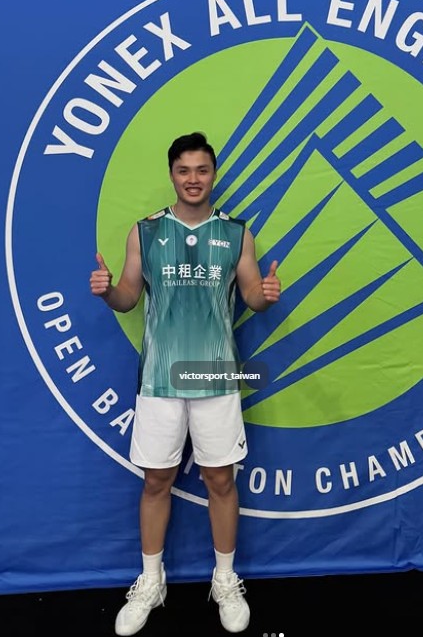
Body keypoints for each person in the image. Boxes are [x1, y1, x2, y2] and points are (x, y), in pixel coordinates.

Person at [90, 131, 281, 636]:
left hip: (217, 377)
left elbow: (251, 297)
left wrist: (265, 295)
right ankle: (151, 582)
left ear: (213, 175)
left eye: (202, 170)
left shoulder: (236, 233)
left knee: (221, 480)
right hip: (160, 379)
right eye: (184, 170)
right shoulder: (146, 232)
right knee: (157, 481)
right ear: (172, 175)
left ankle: (225, 580)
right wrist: (108, 292)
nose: (193, 179)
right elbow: (128, 298)